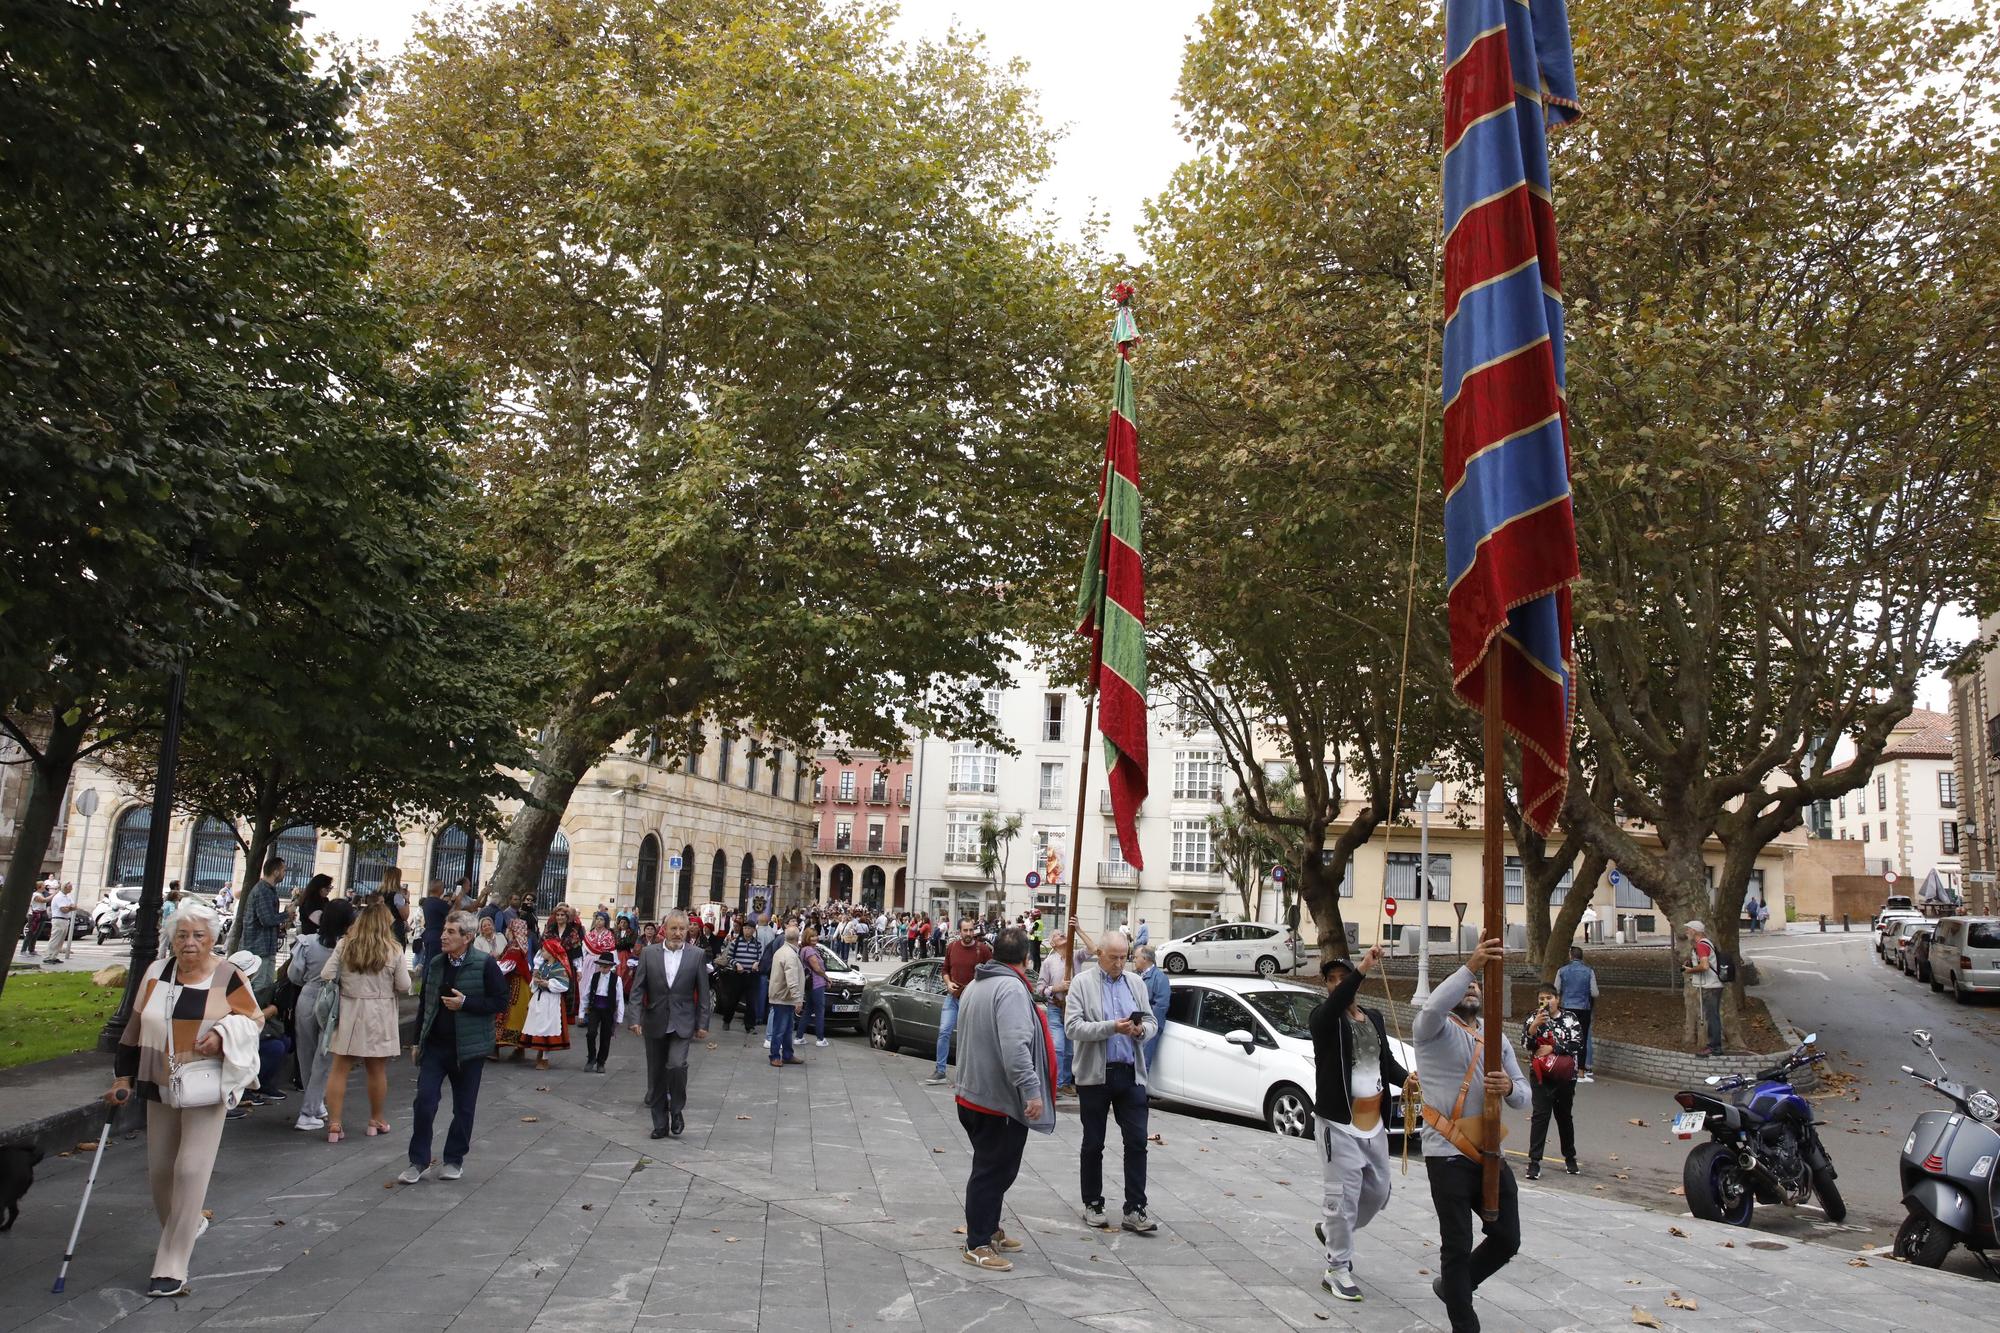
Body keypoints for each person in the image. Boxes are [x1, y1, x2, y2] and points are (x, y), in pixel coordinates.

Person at [107, 901, 263, 1297]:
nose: (189, 943)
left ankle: (172, 1263)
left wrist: (221, 1036)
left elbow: (254, 1019)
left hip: (205, 1085)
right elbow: (135, 1024)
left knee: (190, 1169)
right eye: (181, 935)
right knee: (160, 1171)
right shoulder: (157, 973)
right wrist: (122, 1075)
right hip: (158, 1081)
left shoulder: (228, 975)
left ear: (213, 938)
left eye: (198, 935)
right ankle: (187, 1223)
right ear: (171, 939)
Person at [1415, 935, 1529, 1333]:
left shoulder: (1496, 1038)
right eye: (1465, 984)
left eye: (1476, 985)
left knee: (1507, 1238)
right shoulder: (1433, 1031)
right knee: (1457, 1243)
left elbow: (1524, 1094)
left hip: (1488, 1153)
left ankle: (1456, 1287)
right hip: (1446, 1152)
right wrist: (1472, 964)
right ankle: (1465, 1324)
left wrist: (1510, 1089)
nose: (1472, 987)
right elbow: (1431, 1006)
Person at [953, 925, 1055, 1271]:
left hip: (973, 1094)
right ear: (1027, 959)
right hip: (994, 1100)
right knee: (992, 1171)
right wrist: (1032, 1090)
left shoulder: (978, 983)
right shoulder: (1010, 989)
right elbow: (1015, 1048)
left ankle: (989, 1228)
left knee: (996, 1167)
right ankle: (977, 1243)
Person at [1309, 945, 1408, 1301]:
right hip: (1340, 1126)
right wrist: (1363, 966)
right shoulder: (1323, 1018)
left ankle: (1333, 1230)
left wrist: (1409, 1079)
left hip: (1373, 1125)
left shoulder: (1375, 1019)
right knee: (1343, 1199)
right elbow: (1337, 1004)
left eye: (1343, 977)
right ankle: (1337, 1268)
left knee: (1379, 1194)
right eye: (1332, 980)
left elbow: (1386, 1063)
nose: (1338, 985)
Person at [398, 911, 507, 1182]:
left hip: (469, 1049)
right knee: (424, 1101)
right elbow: (426, 1003)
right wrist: (416, 1041)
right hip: (435, 1046)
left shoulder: (485, 965)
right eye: (444, 930)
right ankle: (418, 1160)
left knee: (464, 1107)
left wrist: (466, 1003)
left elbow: (500, 1002)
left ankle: (454, 1159)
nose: (443, 935)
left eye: (451, 932)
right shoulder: (436, 963)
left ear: (467, 938)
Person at [1064, 930, 1159, 1235]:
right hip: (1095, 1075)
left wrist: (1140, 1031)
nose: (1120, 963)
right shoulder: (1082, 983)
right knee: (1093, 1142)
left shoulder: (1135, 983)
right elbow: (1072, 1028)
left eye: (1124, 957)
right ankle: (1092, 1202)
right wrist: (1111, 1028)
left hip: (1130, 1073)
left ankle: (1135, 1208)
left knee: (1137, 1141)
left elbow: (1152, 1022)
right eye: (1114, 957)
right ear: (1099, 955)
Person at [320, 902, 411, 1143]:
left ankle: (334, 1124)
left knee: (339, 1068)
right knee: (376, 1069)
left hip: (350, 1009)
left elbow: (327, 974)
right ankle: (376, 1119)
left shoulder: (345, 945)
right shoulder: (393, 949)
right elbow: (404, 985)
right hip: (380, 1012)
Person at [628, 911, 712, 1138]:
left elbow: (703, 992)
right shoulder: (648, 953)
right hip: (655, 1020)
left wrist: (703, 1022)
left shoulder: (696, 955)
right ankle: (660, 1123)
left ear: (688, 930)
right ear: (664, 929)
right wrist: (634, 1018)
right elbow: (638, 989)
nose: (678, 933)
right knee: (656, 1074)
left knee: (676, 1065)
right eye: (673, 929)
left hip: (683, 1021)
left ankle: (676, 1109)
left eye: (682, 929)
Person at [288, 900, 352, 1133]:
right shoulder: (346, 947)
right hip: (334, 1000)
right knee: (324, 1058)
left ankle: (314, 1105)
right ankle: (308, 1111)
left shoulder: (306, 942)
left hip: (307, 996)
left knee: (306, 1054)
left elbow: (294, 974)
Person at [1521, 983, 1584, 1181]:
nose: (1546, 1002)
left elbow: (1578, 1043)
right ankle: (1534, 1162)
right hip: (1541, 1076)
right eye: (1542, 999)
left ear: (1557, 999)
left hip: (1565, 1076)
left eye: (1549, 998)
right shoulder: (1533, 1018)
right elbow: (1526, 1044)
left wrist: (1554, 1048)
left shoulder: (1569, 1018)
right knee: (1540, 1116)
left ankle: (1570, 1157)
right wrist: (1533, 1028)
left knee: (1564, 1117)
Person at [926, 917, 993, 1087]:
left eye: (971, 930)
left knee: (968, 1037)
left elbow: (993, 974)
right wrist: (948, 983)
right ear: (959, 931)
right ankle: (940, 1071)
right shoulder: (952, 947)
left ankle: (966, 1074)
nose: (969, 934)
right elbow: (945, 970)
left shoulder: (983, 950)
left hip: (972, 1000)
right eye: (965, 930)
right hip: (953, 997)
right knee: (944, 1032)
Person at [576, 922, 629, 1073]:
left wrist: (619, 1018)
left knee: (605, 1037)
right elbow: (585, 995)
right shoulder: (594, 977)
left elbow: (619, 999)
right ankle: (591, 1057)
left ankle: (601, 1062)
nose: (604, 969)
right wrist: (581, 1014)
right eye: (601, 966)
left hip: (608, 1009)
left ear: (611, 966)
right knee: (591, 1033)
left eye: (606, 966)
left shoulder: (616, 980)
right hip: (595, 1008)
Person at [521, 937, 574, 1070]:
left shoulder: (559, 967)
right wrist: (536, 980)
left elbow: (564, 985)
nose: (542, 953)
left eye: (544, 950)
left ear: (551, 952)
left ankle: (545, 1058)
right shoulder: (543, 966)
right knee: (538, 1025)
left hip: (551, 1001)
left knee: (548, 1027)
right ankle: (540, 1052)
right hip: (540, 999)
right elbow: (534, 982)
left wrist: (548, 983)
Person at [240, 856, 288, 989]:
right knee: (259, 987)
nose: (285, 874)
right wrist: (286, 914)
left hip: (266, 948)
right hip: (258, 949)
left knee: (266, 987)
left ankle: (261, 1009)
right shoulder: (263, 891)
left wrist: (282, 921)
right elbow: (267, 920)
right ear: (276, 872)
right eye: (284, 870)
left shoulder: (268, 890)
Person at [1552, 945, 1599, 1081]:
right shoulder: (1589, 971)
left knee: (1566, 1037)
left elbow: (1556, 989)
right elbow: (1595, 992)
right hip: (1584, 1008)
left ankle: (1567, 1068)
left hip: (1567, 1007)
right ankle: (1581, 1071)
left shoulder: (1562, 971)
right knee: (1582, 1039)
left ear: (1570, 956)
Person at [1681, 920, 1724, 1057]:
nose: (1687, 932)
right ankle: (1714, 1046)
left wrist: (1690, 970)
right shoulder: (1707, 943)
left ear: (1694, 931)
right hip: (1713, 985)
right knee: (1713, 1016)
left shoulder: (1701, 945)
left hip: (1710, 986)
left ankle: (1714, 1047)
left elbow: (1705, 966)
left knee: (1712, 1018)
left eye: (1688, 930)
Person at [766, 925, 807, 1068]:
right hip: (784, 997)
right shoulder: (789, 954)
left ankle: (788, 1054)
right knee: (780, 1028)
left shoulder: (782, 951)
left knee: (787, 1028)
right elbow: (792, 979)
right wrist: (798, 999)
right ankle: (775, 1056)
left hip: (782, 996)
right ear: (798, 938)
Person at [495, 918, 534, 1059]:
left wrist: (492, 967)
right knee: (518, 1016)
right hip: (520, 985)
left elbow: (506, 966)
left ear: (512, 931)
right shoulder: (517, 946)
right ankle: (519, 1049)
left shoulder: (515, 948)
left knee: (507, 1015)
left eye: (509, 928)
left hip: (514, 986)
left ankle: (497, 1048)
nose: (506, 931)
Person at [719, 917, 763, 1032]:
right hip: (738, 975)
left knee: (751, 1001)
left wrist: (757, 963)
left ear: (754, 930)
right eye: (745, 928)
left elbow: (760, 957)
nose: (746, 930)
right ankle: (727, 1020)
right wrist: (737, 964)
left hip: (751, 975)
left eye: (749, 928)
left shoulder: (757, 944)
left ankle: (750, 1026)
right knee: (733, 1000)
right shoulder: (735, 942)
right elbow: (729, 957)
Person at [1133, 945, 1170, 1075]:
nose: (1134, 960)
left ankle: (1140, 1093)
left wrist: (1146, 1024)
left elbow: (1161, 1006)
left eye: (1136, 957)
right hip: (1133, 1026)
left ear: (1145, 959)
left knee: (1142, 1064)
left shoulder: (1160, 978)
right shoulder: (1135, 976)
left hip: (1148, 1028)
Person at [800, 926, 831, 1048]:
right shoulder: (809, 951)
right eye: (812, 936)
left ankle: (799, 1036)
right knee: (819, 1010)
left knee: (808, 1010)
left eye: (815, 935)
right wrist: (827, 978)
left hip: (811, 983)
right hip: (816, 983)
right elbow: (817, 968)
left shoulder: (807, 949)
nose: (814, 938)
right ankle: (820, 1038)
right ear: (807, 937)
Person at [46, 880, 77, 961]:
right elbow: (63, 909)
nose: (71, 889)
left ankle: (54, 956)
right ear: (65, 887)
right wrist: (70, 907)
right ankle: (49, 956)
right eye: (70, 887)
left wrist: (69, 907)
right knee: (55, 939)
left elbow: (74, 906)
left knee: (60, 940)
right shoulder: (59, 897)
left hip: (65, 920)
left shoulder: (68, 897)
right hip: (58, 919)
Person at [22, 878, 50, 954]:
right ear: (39, 886)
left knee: (37, 933)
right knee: (31, 932)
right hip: (34, 915)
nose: (45, 886)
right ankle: (23, 950)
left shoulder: (42, 894)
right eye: (44, 885)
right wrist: (54, 894)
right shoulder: (36, 895)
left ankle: (31, 949)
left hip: (41, 915)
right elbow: (44, 900)